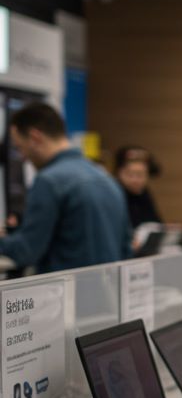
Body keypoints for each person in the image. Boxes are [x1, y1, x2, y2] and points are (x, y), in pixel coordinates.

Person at [0, 103, 130, 273]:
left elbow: (27, 251)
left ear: (35, 137)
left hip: (66, 294)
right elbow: (126, 248)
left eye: (20, 148)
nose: (23, 157)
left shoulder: (49, 181)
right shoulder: (106, 178)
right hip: (105, 294)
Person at [114, 146, 162, 230]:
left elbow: (156, 223)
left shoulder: (144, 194)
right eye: (130, 174)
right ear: (120, 173)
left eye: (140, 175)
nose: (135, 180)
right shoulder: (114, 195)